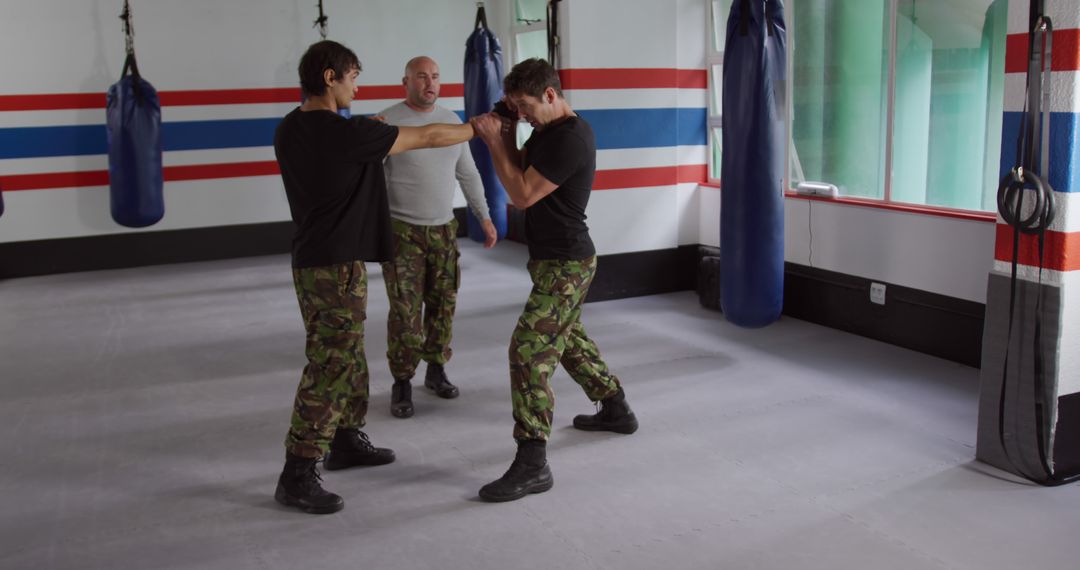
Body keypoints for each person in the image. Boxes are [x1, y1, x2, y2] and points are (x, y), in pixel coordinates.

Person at [272, 40, 476, 515]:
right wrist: (474, 128)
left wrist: (367, 130)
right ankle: (297, 472)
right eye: (353, 77)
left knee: (347, 354)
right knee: (331, 364)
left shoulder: (292, 127)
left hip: (318, 260)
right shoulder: (345, 132)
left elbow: (343, 147)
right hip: (334, 265)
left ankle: (345, 439)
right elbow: (425, 138)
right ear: (330, 77)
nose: (356, 86)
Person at [469, 58, 638, 503]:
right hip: (549, 261)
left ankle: (532, 462)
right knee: (567, 340)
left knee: (529, 348)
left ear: (550, 95)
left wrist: (493, 143)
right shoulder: (546, 131)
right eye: (515, 107)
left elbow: (521, 193)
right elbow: (519, 166)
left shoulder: (571, 138)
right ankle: (616, 408)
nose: (522, 114)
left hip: (568, 263)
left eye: (525, 105)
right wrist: (505, 129)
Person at [377, 56, 498, 419]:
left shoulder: (452, 122)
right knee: (405, 312)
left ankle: (435, 369)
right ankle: (402, 380)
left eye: (434, 77)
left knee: (443, 306)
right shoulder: (388, 121)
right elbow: (374, 183)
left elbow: (469, 173)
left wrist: (485, 217)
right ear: (406, 82)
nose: (429, 83)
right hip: (402, 231)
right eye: (420, 77)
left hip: (444, 230)